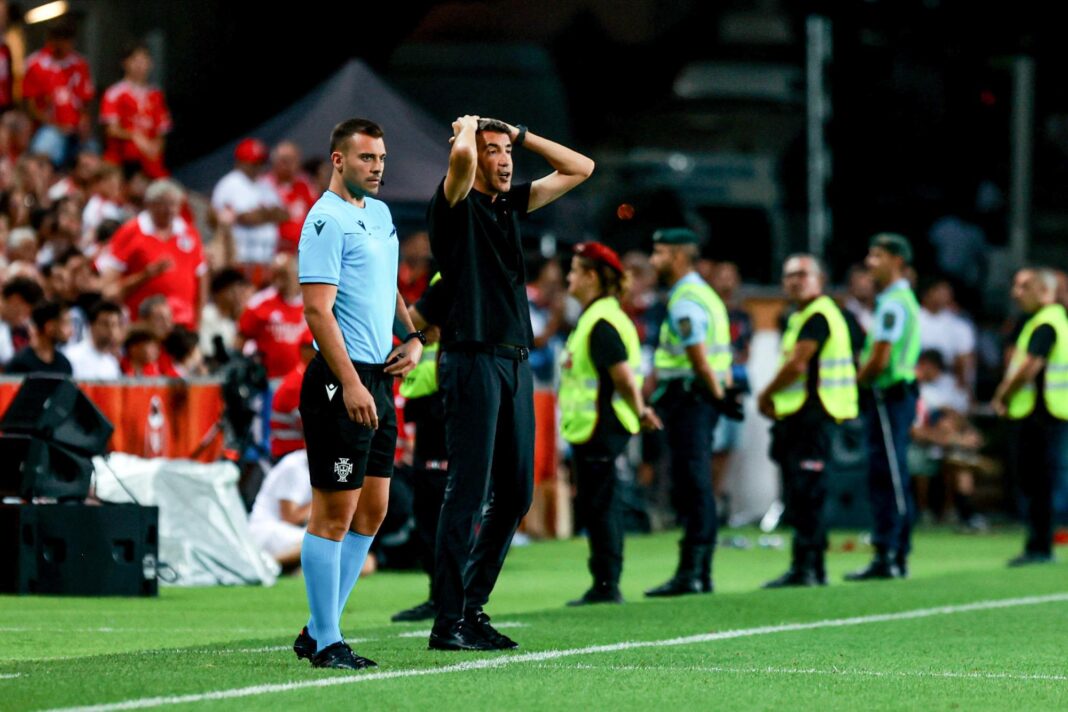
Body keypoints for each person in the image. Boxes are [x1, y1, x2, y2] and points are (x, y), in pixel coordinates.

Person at [426, 115, 593, 651]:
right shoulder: (454, 204)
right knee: (468, 490)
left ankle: (471, 610)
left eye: (508, 154)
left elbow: (580, 167)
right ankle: (446, 619)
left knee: (516, 492)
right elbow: (460, 165)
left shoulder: (507, 204)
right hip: (471, 358)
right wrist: (467, 133)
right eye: (491, 152)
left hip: (515, 361)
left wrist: (520, 134)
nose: (503, 161)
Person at [293, 117, 422, 671]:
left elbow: (386, 279)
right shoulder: (324, 220)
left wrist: (412, 335)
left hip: (378, 377)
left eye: (382, 159)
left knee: (374, 507)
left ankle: (320, 628)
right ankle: (326, 640)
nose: (378, 168)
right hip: (337, 380)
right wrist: (348, 382)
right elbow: (317, 310)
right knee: (334, 513)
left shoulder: (380, 214)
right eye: (367, 158)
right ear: (339, 160)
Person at [559, 242, 661, 606]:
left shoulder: (601, 321)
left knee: (601, 505)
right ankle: (604, 581)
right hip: (593, 426)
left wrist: (641, 410)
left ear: (591, 276)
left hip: (600, 426)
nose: (568, 278)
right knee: (598, 503)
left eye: (574, 271)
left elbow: (622, 377)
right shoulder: (600, 315)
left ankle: (606, 584)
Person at [645, 227, 737, 597]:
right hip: (697, 399)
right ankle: (698, 570)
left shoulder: (685, 299)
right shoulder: (706, 295)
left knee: (693, 483)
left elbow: (699, 358)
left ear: (679, 257)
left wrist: (715, 395)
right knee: (696, 483)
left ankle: (694, 571)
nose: (654, 260)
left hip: (690, 400)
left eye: (660, 252)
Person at [757, 254, 858, 587]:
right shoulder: (805, 316)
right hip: (802, 416)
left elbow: (797, 365)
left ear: (820, 279)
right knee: (802, 493)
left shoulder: (816, 316)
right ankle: (808, 565)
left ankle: (808, 567)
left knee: (807, 492)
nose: (795, 281)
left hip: (812, 416)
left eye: (802, 274)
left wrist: (766, 394)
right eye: (789, 276)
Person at [847, 233, 921, 581]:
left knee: (888, 475)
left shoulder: (892, 302)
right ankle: (893, 552)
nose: (870, 262)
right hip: (895, 395)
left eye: (877, 256)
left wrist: (857, 381)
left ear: (896, 261)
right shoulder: (898, 298)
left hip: (887, 395)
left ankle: (890, 553)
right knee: (891, 473)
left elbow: (880, 356)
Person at [991, 268, 1068, 566]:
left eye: (1024, 288)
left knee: (1038, 482)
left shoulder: (1045, 323)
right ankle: (1039, 544)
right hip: (1048, 411)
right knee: (1040, 481)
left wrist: (1003, 395)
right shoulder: (1050, 321)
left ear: (1042, 291)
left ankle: (1039, 546)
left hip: (1040, 412)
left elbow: (1030, 367)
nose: (1016, 294)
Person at [391, 274, 449, 623]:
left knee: (437, 504)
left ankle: (447, 596)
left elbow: (413, 319)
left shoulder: (450, 275)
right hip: (431, 405)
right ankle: (440, 594)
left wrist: (419, 331)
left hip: (444, 404)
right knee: (430, 503)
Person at [95, 178, 208, 330]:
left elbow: (201, 279)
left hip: (182, 326)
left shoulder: (189, 232)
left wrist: (198, 322)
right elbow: (108, 286)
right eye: (163, 204)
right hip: (142, 326)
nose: (170, 210)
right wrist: (145, 275)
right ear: (149, 204)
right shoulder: (131, 232)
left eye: (174, 204)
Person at [211, 138, 287, 274]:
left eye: (261, 162)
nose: (258, 166)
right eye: (254, 163)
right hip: (240, 259)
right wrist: (267, 214)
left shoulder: (264, 184)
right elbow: (246, 218)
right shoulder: (231, 183)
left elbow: (283, 214)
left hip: (266, 259)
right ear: (240, 162)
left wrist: (261, 214)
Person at [99, 42, 172, 179]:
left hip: (150, 161)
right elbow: (111, 130)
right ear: (124, 63)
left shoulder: (156, 95)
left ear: (150, 63)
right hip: (121, 161)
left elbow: (162, 132)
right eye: (134, 60)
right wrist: (135, 136)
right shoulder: (114, 92)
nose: (139, 65)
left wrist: (154, 147)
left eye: (143, 60)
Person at [249, 449, 313, 571]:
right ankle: (265, 566)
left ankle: (295, 569)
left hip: (290, 533)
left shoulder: (323, 468)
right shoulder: (295, 466)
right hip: (267, 530)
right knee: (321, 542)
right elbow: (290, 517)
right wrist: (324, 499)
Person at [6, 299, 72, 375]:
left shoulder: (64, 364)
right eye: (65, 323)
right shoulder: (20, 364)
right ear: (49, 327)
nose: (71, 331)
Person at [65, 299, 123, 380]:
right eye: (105, 324)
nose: (111, 330)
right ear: (91, 325)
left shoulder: (112, 363)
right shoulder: (71, 357)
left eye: (114, 324)